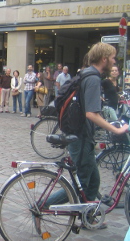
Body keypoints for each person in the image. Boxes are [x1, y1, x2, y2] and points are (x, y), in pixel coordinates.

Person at [44, 43, 128, 228]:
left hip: (83, 135)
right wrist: (116, 130)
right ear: (104, 59)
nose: (115, 62)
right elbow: (91, 113)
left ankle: (88, 216)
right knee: (81, 181)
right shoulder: (93, 78)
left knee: (93, 179)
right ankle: (42, 205)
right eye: (113, 58)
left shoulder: (87, 74)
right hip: (79, 137)